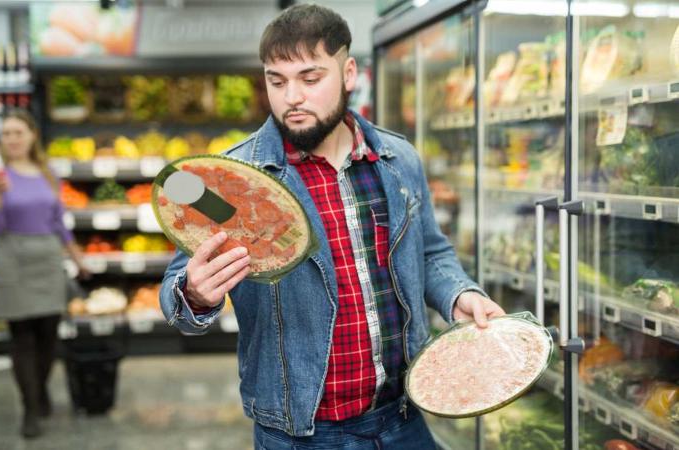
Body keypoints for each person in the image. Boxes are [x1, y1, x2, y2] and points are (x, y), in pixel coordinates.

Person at [160, 5, 506, 449]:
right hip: (299, 433)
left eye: (310, 78)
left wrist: (461, 295)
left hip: (403, 417)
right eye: (276, 81)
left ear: (347, 74)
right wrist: (194, 295)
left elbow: (430, 253)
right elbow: (176, 298)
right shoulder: (231, 180)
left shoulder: (397, 159)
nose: (292, 98)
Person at [0, 109, 88, 439]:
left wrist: (77, 257)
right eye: (6, 134)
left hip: (46, 258)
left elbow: (59, 221)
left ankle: (38, 387)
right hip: (11, 255)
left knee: (48, 336)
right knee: (22, 337)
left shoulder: (48, 172)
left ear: (32, 136)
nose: (11, 139)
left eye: (17, 132)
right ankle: (30, 408)